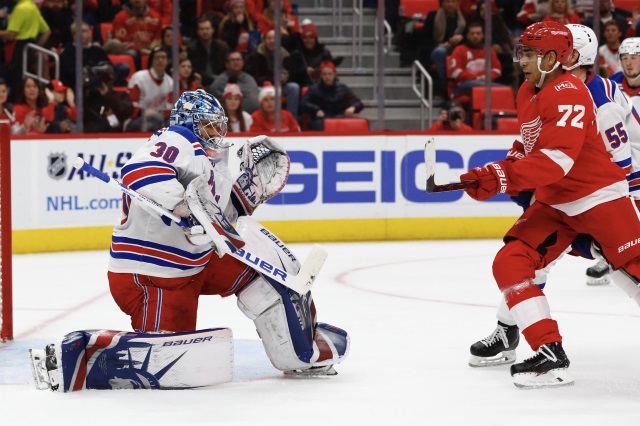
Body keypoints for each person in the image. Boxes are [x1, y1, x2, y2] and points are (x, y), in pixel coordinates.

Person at [30, 89, 348, 391]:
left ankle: (299, 351)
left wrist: (246, 196)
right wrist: (181, 204)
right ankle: (78, 357)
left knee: (264, 281)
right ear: (190, 122)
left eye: (218, 124)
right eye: (210, 124)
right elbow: (138, 173)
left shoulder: (209, 160)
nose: (216, 132)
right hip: (152, 275)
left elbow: (219, 217)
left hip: (195, 261)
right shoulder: (176, 139)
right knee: (168, 361)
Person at [459, 21, 640, 389]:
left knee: (633, 273)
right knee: (511, 261)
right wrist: (497, 172)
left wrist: (503, 177)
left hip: (598, 197)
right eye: (522, 52)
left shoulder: (571, 91)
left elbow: (558, 159)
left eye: (529, 53)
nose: (520, 59)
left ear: (556, 57)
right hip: (555, 202)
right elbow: (529, 145)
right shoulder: (528, 89)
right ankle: (548, 353)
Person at [244, 28, 300, 120]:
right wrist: (273, 79)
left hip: (280, 86)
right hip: (261, 86)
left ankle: (291, 119)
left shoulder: (286, 55)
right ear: (264, 40)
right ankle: (261, 120)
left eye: (274, 38)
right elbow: (252, 76)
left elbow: (291, 73)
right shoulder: (256, 55)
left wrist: (286, 79)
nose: (272, 41)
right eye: (269, 38)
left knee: (294, 88)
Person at [0, 0, 50, 93]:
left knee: (16, 82)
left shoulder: (20, 8)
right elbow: (46, 32)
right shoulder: (33, 7)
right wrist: (34, 48)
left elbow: (11, 35)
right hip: (28, 49)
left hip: (17, 50)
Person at [446, 21, 503, 100]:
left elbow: (497, 69)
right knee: (501, 90)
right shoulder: (459, 50)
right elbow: (454, 72)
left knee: (487, 87)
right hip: (462, 86)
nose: (475, 36)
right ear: (467, 36)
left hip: (484, 82)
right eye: (472, 34)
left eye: (478, 33)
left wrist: (486, 77)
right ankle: (503, 89)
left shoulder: (489, 50)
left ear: (482, 35)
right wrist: (475, 78)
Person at [300, 61, 364, 131]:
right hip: (321, 119)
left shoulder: (342, 88)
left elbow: (358, 103)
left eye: (330, 74)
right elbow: (303, 103)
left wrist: (352, 107)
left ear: (334, 75)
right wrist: (316, 109)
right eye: (324, 74)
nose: (327, 77)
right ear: (321, 76)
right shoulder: (314, 88)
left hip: (339, 118)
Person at [125, 45, 173, 132]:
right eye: (157, 57)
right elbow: (129, 106)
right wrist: (143, 112)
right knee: (153, 123)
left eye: (163, 57)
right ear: (152, 60)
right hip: (137, 119)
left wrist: (159, 114)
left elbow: (170, 108)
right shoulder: (139, 78)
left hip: (160, 120)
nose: (160, 60)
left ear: (167, 61)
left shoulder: (170, 82)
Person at [109, 0, 162, 70]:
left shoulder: (156, 17)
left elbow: (158, 39)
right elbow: (121, 43)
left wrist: (153, 49)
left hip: (149, 49)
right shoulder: (120, 17)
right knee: (133, 53)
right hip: (130, 50)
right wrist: (140, 50)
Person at [186, 15, 231, 87]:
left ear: (212, 30)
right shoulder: (192, 48)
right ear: (198, 31)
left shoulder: (223, 47)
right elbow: (194, 69)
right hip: (200, 81)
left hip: (221, 81)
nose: (205, 32)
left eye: (207, 29)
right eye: (202, 29)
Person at [288, 22, 336, 88]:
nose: (308, 41)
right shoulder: (296, 54)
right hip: (302, 84)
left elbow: (331, 69)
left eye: (311, 38)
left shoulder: (324, 52)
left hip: (322, 83)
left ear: (315, 39)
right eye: (305, 38)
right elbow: (292, 74)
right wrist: (304, 71)